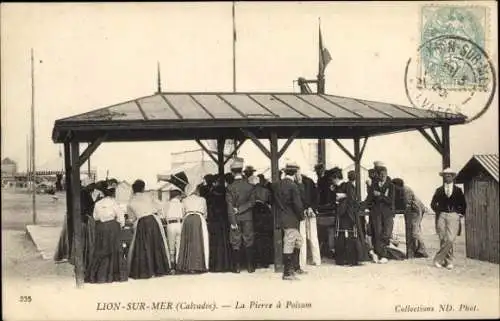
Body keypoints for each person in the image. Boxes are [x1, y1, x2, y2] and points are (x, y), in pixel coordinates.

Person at [85, 181, 128, 283]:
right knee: (114, 250)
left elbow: (95, 217)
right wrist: (120, 225)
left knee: (101, 249)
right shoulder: (114, 203)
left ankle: (99, 275)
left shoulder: (97, 203)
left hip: (101, 227)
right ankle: (114, 275)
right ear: (113, 193)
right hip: (112, 227)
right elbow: (121, 217)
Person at [127, 179, 171, 279]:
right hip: (152, 220)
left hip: (141, 222)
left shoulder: (131, 202)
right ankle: (159, 268)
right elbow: (160, 206)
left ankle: (145, 270)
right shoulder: (149, 196)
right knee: (156, 244)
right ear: (143, 188)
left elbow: (132, 218)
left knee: (143, 246)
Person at [272, 162, 305, 281]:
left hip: (282, 217)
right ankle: (287, 273)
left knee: (298, 241)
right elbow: (298, 204)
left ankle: (293, 268)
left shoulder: (277, 184)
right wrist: (302, 216)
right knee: (290, 243)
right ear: (295, 173)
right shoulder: (293, 186)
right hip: (291, 218)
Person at [430, 168, 466, 270]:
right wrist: (439, 211)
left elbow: (463, 204)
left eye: (449, 175)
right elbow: (432, 204)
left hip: (453, 215)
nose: (447, 177)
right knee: (443, 238)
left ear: (453, 177)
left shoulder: (458, 190)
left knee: (450, 239)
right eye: (445, 176)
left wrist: (459, 214)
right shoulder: (439, 190)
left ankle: (437, 259)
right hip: (442, 215)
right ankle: (448, 262)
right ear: (443, 177)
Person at [226, 159, 256, 273]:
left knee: (236, 241)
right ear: (242, 171)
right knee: (249, 240)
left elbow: (229, 206)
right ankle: (250, 267)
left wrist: (233, 221)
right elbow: (252, 202)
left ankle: (237, 267)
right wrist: (241, 209)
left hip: (235, 218)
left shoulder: (230, 188)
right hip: (247, 217)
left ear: (232, 173)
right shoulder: (249, 186)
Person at [334, 171, 365, 266]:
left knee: (343, 235)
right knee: (351, 236)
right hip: (349, 214)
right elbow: (351, 200)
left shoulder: (345, 186)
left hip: (345, 214)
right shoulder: (350, 186)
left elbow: (340, 198)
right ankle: (351, 259)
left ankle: (343, 259)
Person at [365, 163, 394, 263]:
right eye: (380, 175)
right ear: (378, 175)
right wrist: (361, 206)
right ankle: (382, 255)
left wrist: (380, 195)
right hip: (376, 213)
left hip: (387, 214)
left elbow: (391, 200)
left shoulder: (391, 186)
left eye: (384, 174)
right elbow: (369, 199)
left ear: (386, 174)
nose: (382, 176)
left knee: (386, 234)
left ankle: (382, 254)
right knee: (377, 233)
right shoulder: (374, 185)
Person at [177, 183, 209, 274]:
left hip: (187, 219)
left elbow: (182, 212)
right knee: (200, 241)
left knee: (188, 241)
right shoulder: (202, 199)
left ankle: (187, 265)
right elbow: (205, 212)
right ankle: (199, 265)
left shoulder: (184, 200)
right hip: (199, 218)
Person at [393, 178, 429, 259]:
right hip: (413, 210)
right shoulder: (401, 190)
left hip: (416, 210)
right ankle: (417, 250)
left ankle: (422, 250)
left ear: (398, 185)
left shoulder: (406, 190)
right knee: (415, 230)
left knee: (414, 231)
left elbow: (407, 204)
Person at [206, 175, 233, 272]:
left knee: (215, 243)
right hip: (224, 221)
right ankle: (226, 265)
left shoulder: (211, 194)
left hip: (214, 221)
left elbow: (209, 209)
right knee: (225, 242)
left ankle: (216, 266)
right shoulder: (225, 192)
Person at [296, 168, 321, 267]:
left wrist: (305, 208)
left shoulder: (296, 183)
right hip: (311, 213)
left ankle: (302, 262)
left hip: (302, 213)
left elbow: (298, 198)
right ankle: (317, 260)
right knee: (313, 236)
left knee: (302, 236)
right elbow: (316, 197)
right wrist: (312, 208)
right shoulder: (310, 182)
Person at [250, 175, 274, 268]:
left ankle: (257, 260)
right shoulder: (266, 190)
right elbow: (270, 202)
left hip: (254, 212)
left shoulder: (251, 191)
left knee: (256, 237)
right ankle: (266, 260)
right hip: (265, 213)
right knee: (266, 238)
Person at [162, 187, 185, 273]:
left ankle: (172, 267)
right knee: (179, 245)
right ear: (178, 195)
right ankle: (179, 266)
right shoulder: (181, 204)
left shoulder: (166, 204)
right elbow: (184, 213)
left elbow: (163, 216)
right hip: (180, 223)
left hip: (170, 224)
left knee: (171, 247)